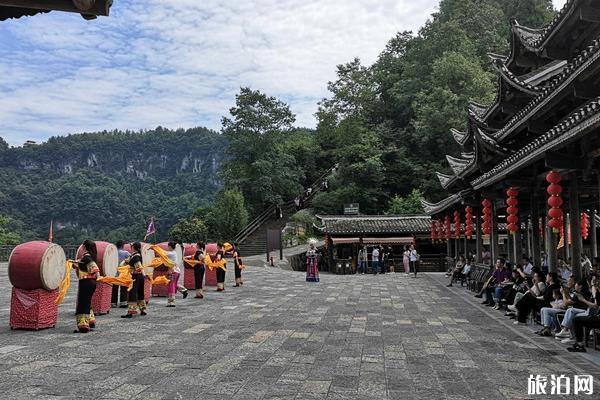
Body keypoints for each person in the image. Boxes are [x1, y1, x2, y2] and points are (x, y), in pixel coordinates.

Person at [73, 240, 100, 333]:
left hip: (86, 282)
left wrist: (97, 276)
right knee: (87, 302)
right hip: (90, 283)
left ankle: (83, 325)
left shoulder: (87, 257)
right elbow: (84, 266)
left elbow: (95, 269)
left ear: (84, 247)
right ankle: (90, 321)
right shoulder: (90, 257)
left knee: (82, 303)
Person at [122, 242, 147, 318]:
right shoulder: (135, 255)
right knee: (140, 292)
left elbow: (138, 266)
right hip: (140, 277)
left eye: (131, 246)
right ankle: (142, 310)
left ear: (133, 247)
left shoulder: (135, 257)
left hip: (135, 277)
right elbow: (127, 261)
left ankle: (131, 312)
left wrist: (143, 273)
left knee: (132, 293)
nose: (130, 247)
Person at [166, 241, 188, 307]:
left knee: (171, 285)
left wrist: (155, 248)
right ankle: (183, 290)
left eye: (168, 246)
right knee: (174, 284)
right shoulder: (174, 252)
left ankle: (172, 302)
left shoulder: (171, 253)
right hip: (176, 271)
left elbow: (162, 253)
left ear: (169, 246)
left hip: (173, 272)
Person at [111, 240, 130, 308]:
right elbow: (132, 260)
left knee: (114, 289)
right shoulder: (126, 253)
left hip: (114, 273)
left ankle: (113, 303)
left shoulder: (113, 253)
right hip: (123, 274)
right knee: (124, 289)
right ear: (123, 245)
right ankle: (123, 303)